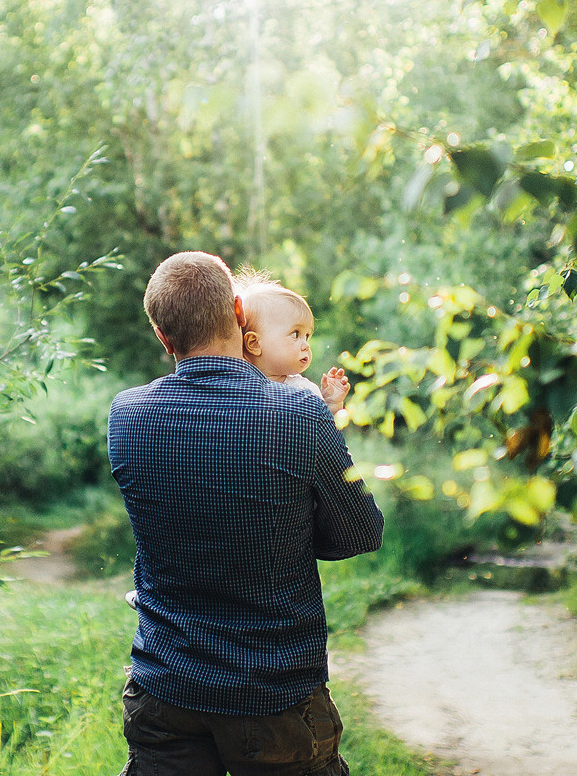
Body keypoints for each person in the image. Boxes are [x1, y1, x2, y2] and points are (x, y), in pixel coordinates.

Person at [107, 251, 383, 776]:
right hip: (273, 692)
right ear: (238, 312)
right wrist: (292, 531)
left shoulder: (128, 415)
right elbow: (361, 533)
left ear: (164, 338)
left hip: (167, 689)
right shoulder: (297, 411)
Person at [235, 271, 349, 415]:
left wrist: (332, 405)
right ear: (254, 343)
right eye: (295, 334)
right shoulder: (238, 386)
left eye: (307, 336)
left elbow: (324, 433)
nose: (306, 345)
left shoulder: (305, 391)